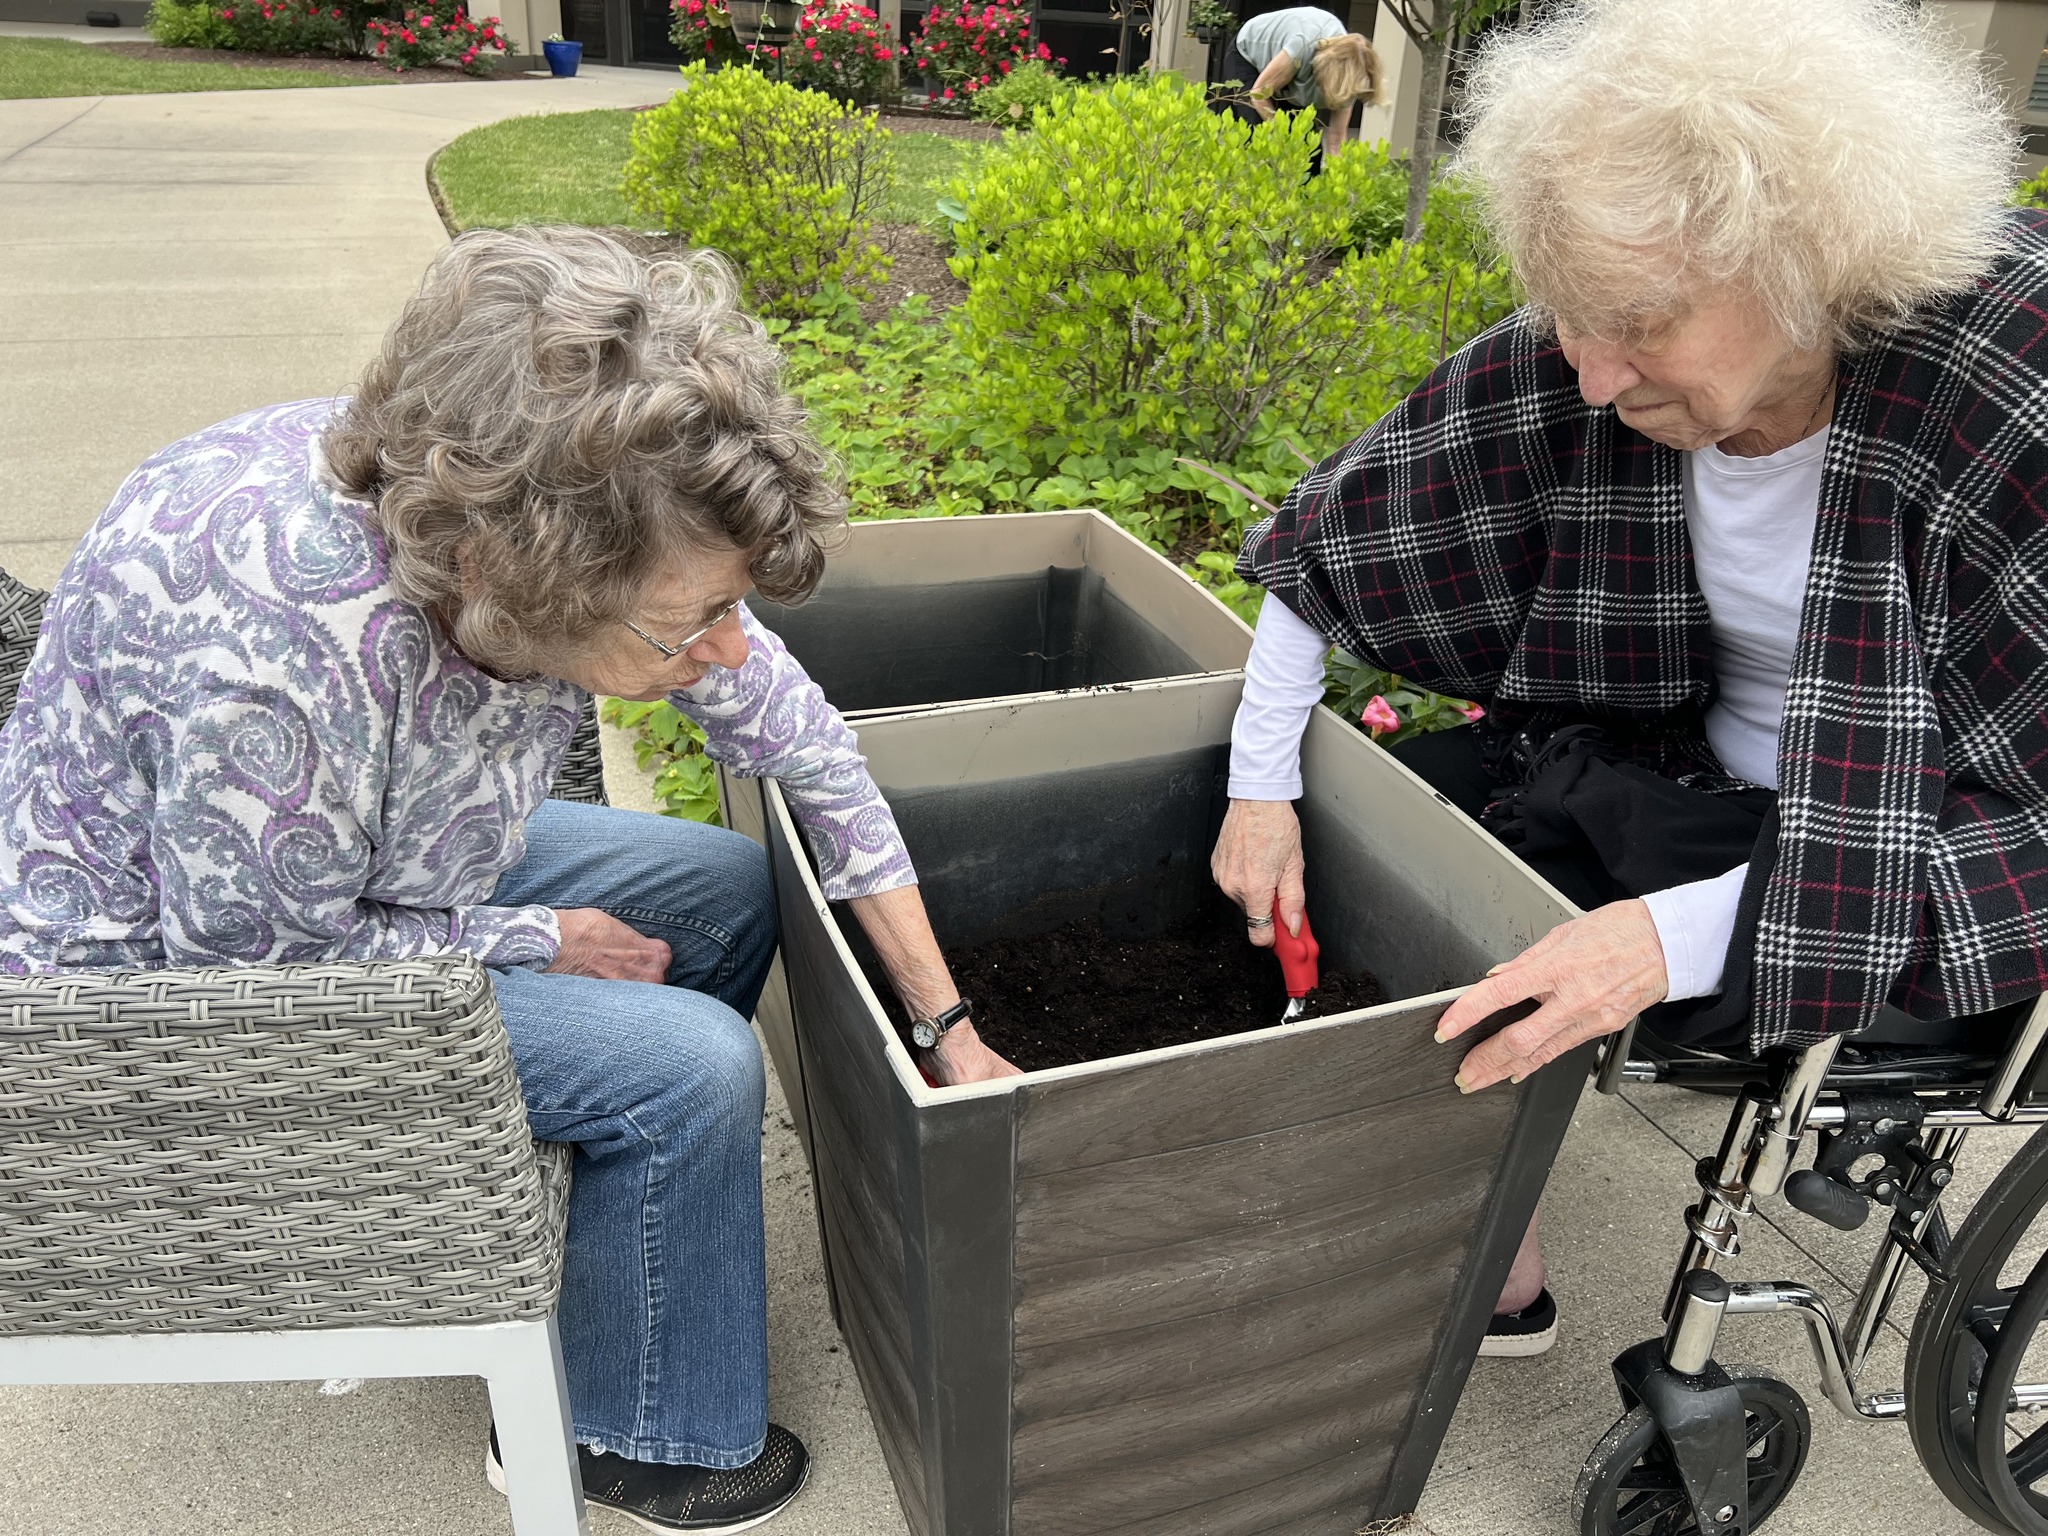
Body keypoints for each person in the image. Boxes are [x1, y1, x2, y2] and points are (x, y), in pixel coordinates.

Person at [0, 226, 1020, 1534]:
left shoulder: (530, 496)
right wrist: (536, 941)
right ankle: (633, 1436)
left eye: (729, 607)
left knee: (715, 886)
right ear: (514, 571)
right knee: (694, 1067)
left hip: (351, 864)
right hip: (137, 1018)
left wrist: (950, 1029)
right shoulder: (272, 666)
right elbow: (252, 973)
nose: (723, 652)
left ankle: (598, 1283)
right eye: (688, 622)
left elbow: (810, 755)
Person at [1211, 0, 2035, 1359]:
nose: (1592, 380)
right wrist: (1259, 795)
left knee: (1519, 938)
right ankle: (1499, 1273)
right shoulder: (1603, 345)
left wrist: (1663, 939)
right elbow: (1328, 537)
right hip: (1678, 773)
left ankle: (1440, 1238)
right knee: (1386, 846)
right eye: (1572, 323)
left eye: (1639, 325)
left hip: (1912, 853)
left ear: (1808, 265)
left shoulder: (2013, 394)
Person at [1217, 5, 1378, 164]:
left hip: (1294, 73)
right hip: (1249, 54)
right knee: (1258, 135)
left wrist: (1340, 178)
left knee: (1309, 150)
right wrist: (1283, 135)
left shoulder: (1351, 78)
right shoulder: (1302, 46)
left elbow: (1336, 140)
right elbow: (1258, 93)